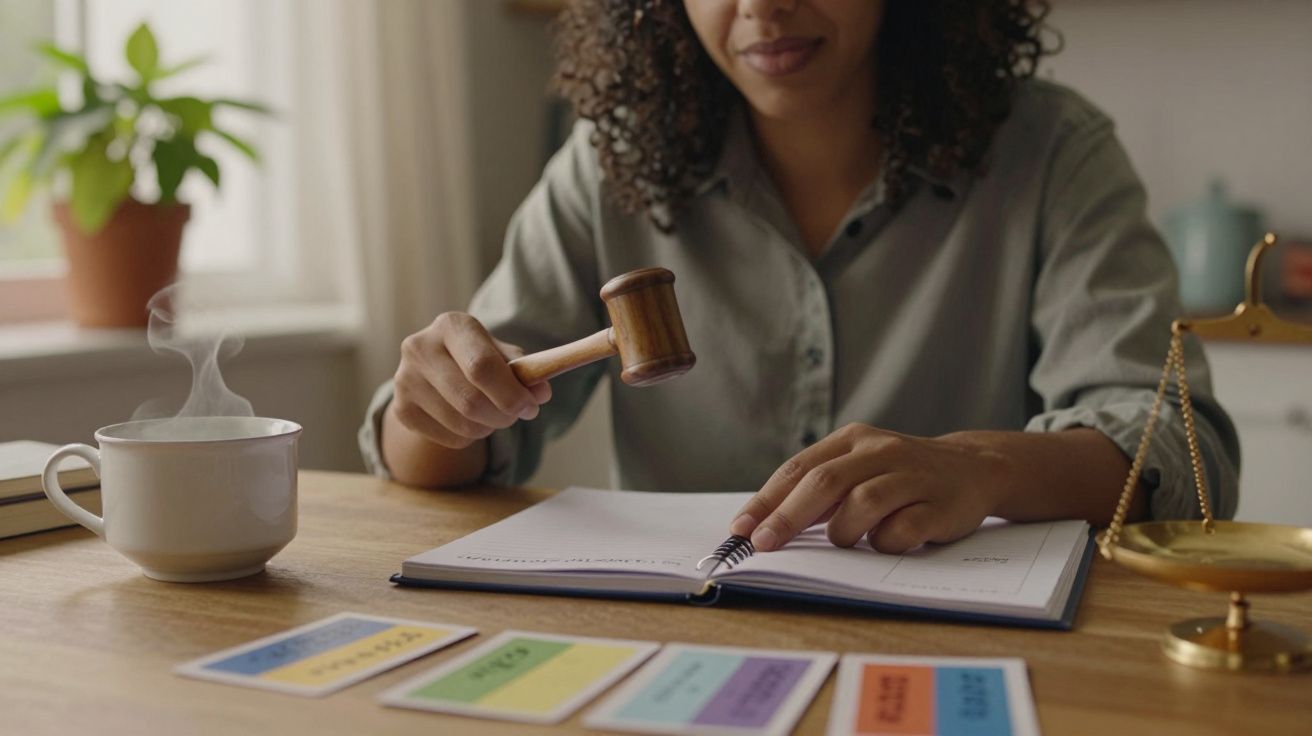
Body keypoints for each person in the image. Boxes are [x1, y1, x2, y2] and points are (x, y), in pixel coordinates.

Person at [359, 0, 1239, 556]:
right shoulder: (608, 164)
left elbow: (1184, 452)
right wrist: (431, 407)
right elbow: (438, 458)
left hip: (971, 650)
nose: (763, 9)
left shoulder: (1052, 156)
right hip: (687, 636)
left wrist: (983, 466)